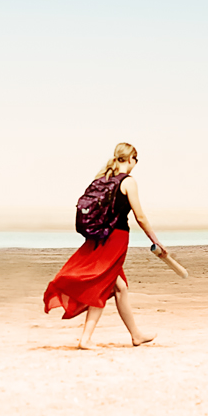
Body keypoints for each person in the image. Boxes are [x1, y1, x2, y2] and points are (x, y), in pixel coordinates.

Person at [43, 142, 166, 349]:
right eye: (136, 159)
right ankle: (86, 339)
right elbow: (141, 217)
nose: (136, 163)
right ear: (131, 159)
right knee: (102, 285)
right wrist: (155, 240)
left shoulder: (102, 179)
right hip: (115, 238)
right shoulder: (128, 182)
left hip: (99, 237)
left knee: (120, 287)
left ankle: (136, 335)